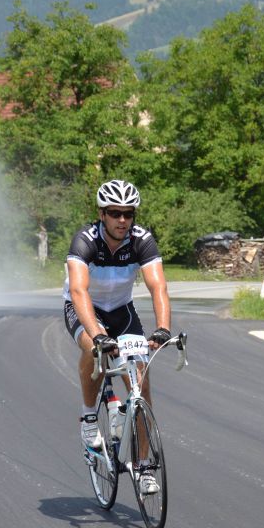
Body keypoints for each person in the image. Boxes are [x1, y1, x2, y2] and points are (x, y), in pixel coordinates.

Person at [64, 179, 171, 495]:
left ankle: (143, 466)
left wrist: (163, 328)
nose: (122, 220)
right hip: (84, 308)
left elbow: (158, 287)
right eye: (115, 213)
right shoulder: (85, 240)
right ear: (102, 213)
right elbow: (78, 290)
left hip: (121, 310)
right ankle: (87, 418)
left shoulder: (142, 240)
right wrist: (96, 334)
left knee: (141, 385)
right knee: (93, 351)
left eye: (128, 213)